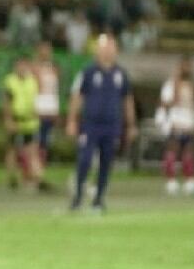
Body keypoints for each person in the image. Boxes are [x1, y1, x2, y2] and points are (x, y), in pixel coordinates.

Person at [65, 34, 135, 212]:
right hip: (90, 124)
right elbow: (77, 96)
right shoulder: (87, 72)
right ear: (97, 50)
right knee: (85, 159)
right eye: (105, 48)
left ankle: (99, 199)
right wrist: (72, 120)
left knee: (106, 162)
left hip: (112, 125)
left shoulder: (121, 74)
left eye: (111, 48)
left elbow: (127, 100)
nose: (108, 52)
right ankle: (78, 196)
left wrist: (131, 125)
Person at [158, 57, 194, 195]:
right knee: (172, 151)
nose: (187, 69)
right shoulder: (171, 84)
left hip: (188, 124)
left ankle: (189, 181)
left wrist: (193, 122)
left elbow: (191, 106)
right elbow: (164, 103)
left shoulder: (191, 85)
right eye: (185, 66)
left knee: (188, 152)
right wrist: (165, 121)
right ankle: (171, 181)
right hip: (175, 122)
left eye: (189, 67)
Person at [1, 56, 41, 190]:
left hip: (30, 121)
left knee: (32, 150)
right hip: (16, 119)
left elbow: (35, 100)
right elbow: (7, 102)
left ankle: (34, 176)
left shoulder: (32, 81)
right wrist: (8, 120)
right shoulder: (10, 81)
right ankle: (11, 177)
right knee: (12, 149)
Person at [32, 41, 61, 184]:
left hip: (50, 109)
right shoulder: (34, 68)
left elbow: (55, 90)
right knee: (34, 143)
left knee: (45, 143)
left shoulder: (54, 68)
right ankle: (33, 172)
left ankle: (40, 172)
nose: (46, 53)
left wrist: (56, 109)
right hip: (38, 108)